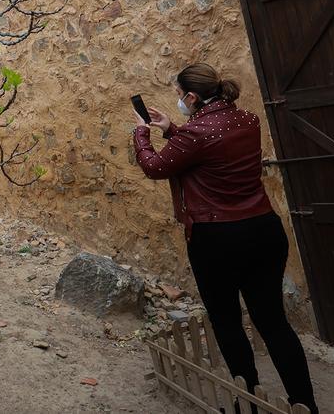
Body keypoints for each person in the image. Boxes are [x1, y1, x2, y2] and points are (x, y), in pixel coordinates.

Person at [133, 63, 318, 413]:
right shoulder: (248, 121)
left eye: (178, 96)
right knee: (273, 322)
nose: (178, 102)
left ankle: (245, 402)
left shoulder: (195, 134)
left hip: (216, 238)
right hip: (264, 229)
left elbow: (155, 167)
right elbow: (214, 152)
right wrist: (171, 128)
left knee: (227, 322)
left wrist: (142, 133)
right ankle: (304, 405)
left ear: (191, 96)